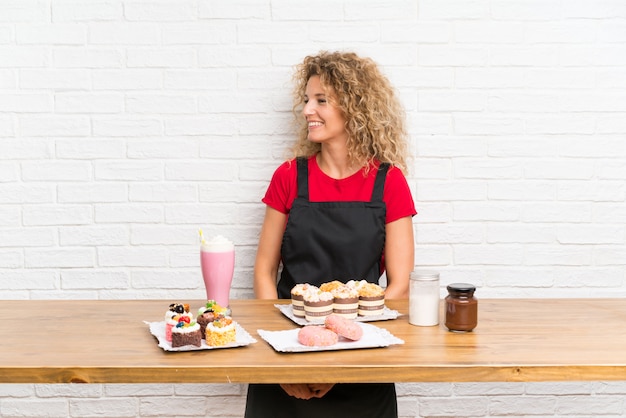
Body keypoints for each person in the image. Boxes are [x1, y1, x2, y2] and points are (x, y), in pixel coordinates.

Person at [245, 50, 417, 418]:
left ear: (355, 108)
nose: (308, 110)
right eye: (307, 99)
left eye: (321, 100)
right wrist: (282, 359)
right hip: (285, 356)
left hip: (362, 361)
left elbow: (399, 285)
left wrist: (345, 357)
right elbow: (263, 272)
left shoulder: (389, 182)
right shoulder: (289, 176)